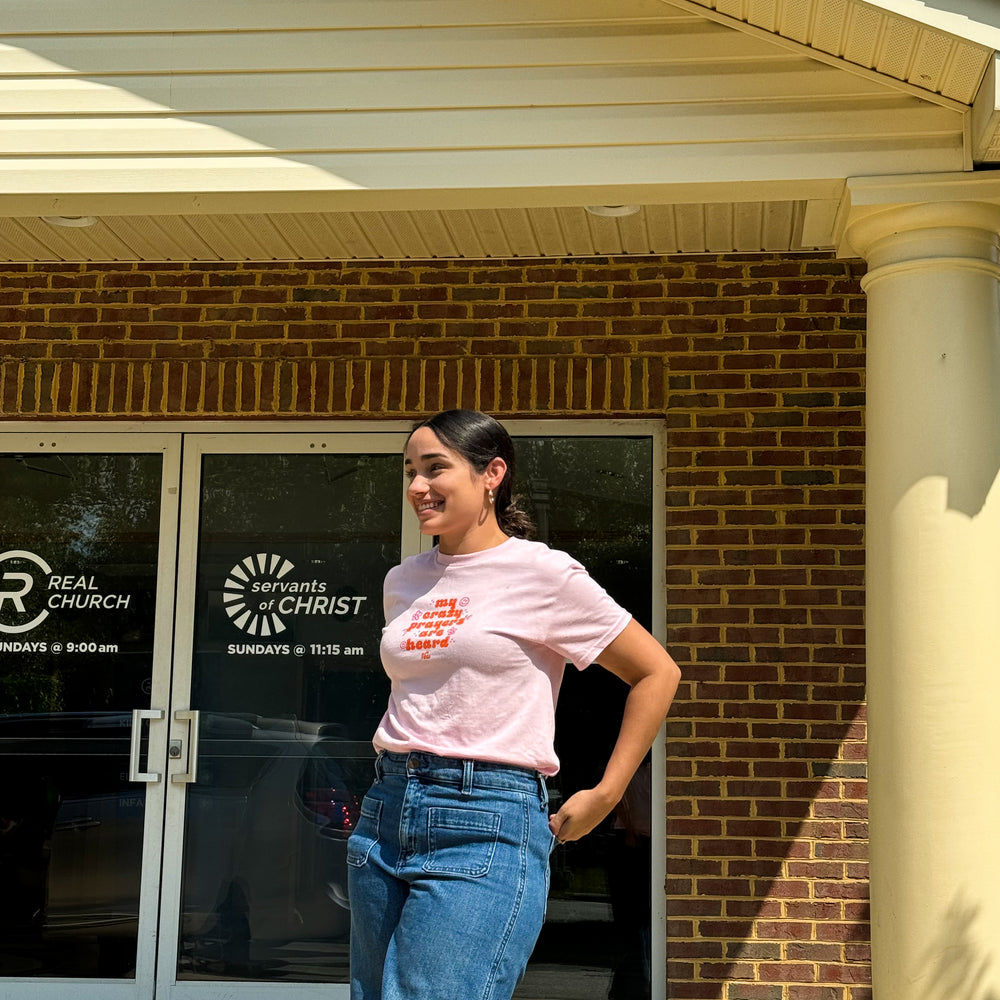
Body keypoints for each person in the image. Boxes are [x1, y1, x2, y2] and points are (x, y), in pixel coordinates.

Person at [347, 409, 680, 1000]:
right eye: (409, 472)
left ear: (491, 474)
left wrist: (609, 792)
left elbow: (656, 671)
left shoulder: (542, 572)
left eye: (434, 469)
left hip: (485, 816)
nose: (417, 487)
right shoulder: (404, 580)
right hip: (387, 807)